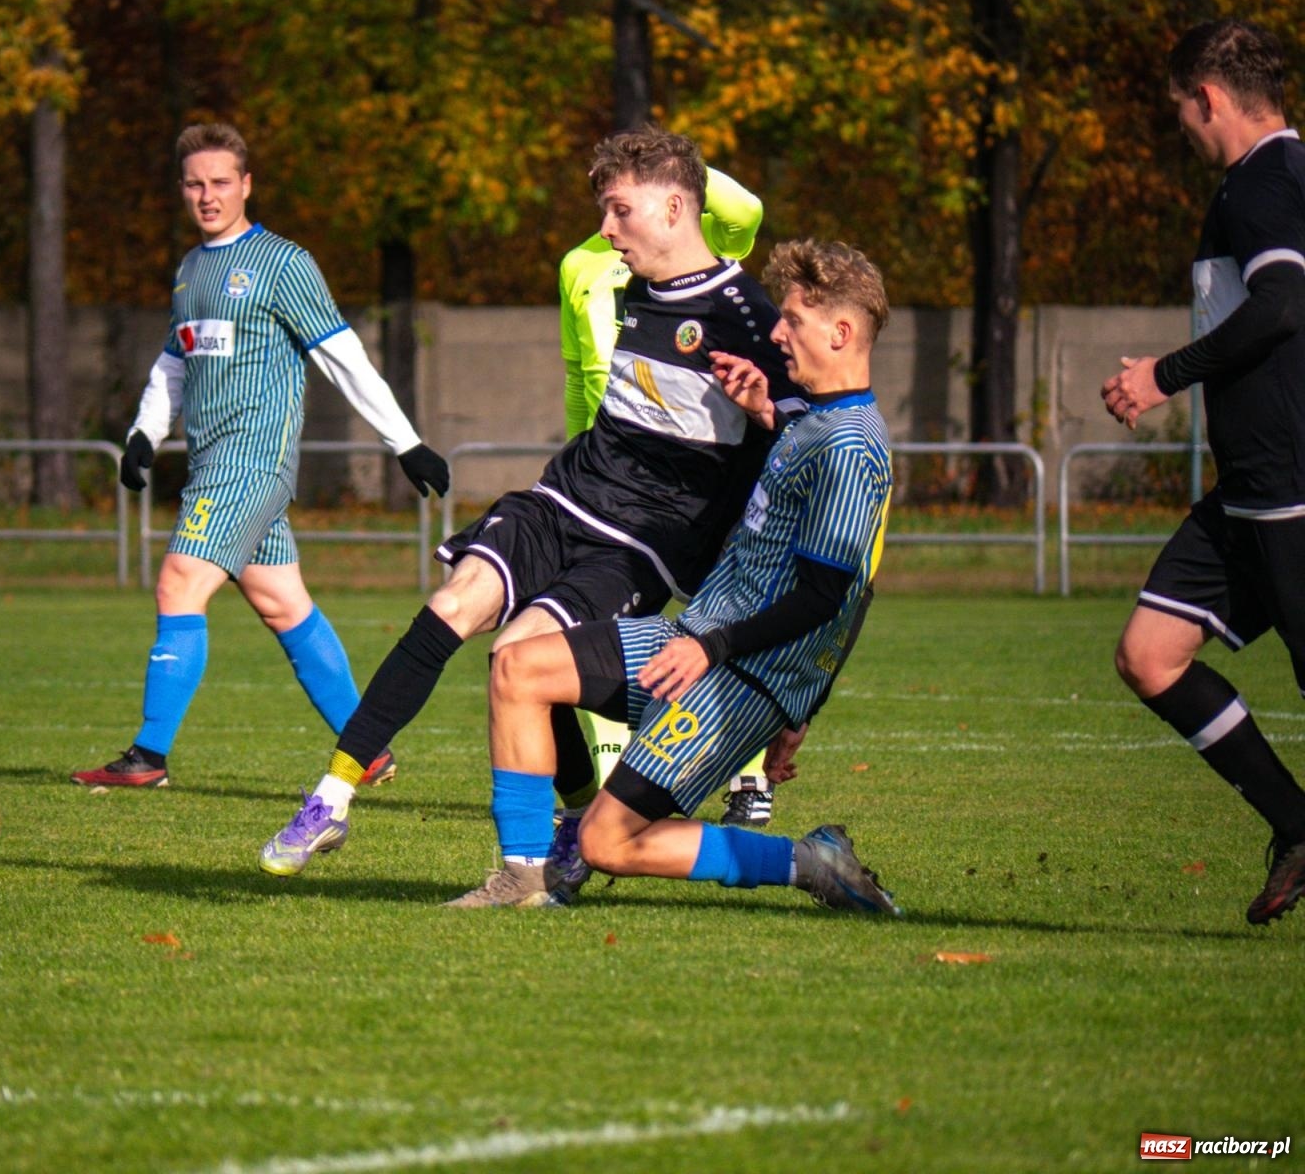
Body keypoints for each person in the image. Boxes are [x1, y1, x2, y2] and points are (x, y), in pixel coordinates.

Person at [259, 126, 804, 876]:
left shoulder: (747, 314)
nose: (606, 231)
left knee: (519, 658)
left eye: (620, 211)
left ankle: (570, 831)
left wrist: (769, 416)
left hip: (641, 545)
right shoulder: (638, 282)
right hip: (565, 494)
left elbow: (808, 446)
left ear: (678, 208)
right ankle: (331, 799)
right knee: (453, 606)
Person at [447, 238, 896, 910]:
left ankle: (807, 860)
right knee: (516, 667)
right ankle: (525, 879)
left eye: (793, 321)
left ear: (841, 332)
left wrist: (788, 698)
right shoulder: (813, 419)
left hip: (738, 679)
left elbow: (831, 596)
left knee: (610, 844)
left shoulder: (854, 448)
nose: (778, 332)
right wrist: (766, 414)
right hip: (694, 641)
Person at [71, 123, 449, 789]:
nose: (207, 195)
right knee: (282, 603)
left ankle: (149, 757)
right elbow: (173, 363)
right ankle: (369, 750)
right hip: (212, 461)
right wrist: (144, 434)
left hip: (252, 463)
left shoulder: (282, 263)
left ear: (246, 185)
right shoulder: (190, 269)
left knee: (177, 585)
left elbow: (342, 355)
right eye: (194, 184)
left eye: (220, 182)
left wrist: (406, 442)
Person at [1101, 18, 1305, 926]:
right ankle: (1297, 825)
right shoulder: (1270, 183)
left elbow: (1283, 305)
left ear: (1208, 97)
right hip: (1252, 493)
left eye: (1181, 109)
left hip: (1294, 489)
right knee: (1150, 654)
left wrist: (1162, 375)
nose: (1181, 126)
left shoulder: (1263, 181)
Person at [557, 166, 797, 832]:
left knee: (716, 622)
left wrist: (675, 160)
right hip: (615, 476)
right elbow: (583, 371)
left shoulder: (702, 242)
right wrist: (586, 450)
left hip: (705, 472)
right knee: (587, 633)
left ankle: (745, 777)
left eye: (624, 200)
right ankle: (609, 786)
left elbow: (746, 204)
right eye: (607, 200)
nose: (613, 220)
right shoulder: (580, 263)